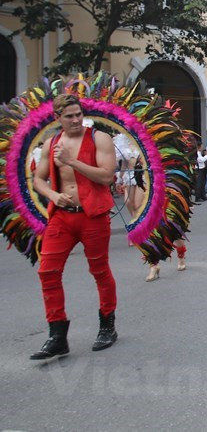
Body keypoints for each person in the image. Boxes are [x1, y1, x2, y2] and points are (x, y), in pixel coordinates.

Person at [29, 94, 118, 359]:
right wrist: (53, 196)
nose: (76, 119)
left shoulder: (99, 138)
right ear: (58, 118)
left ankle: (107, 326)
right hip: (62, 216)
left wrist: (71, 161)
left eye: (78, 114)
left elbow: (107, 175)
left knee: (99, 270)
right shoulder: (51, 144)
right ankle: (57, 335)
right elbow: (38, 180)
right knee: (48, 272)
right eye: (69, 116)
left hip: (93, 214)